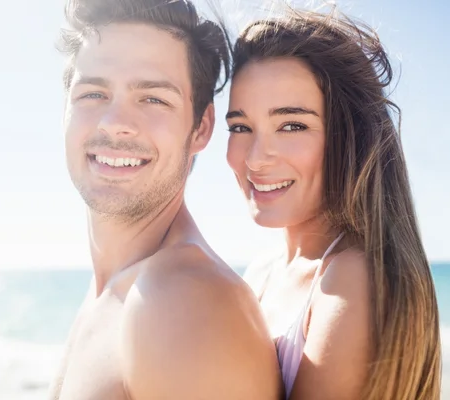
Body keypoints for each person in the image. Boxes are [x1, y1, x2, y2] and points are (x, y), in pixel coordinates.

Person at [47, 0, 282, 399]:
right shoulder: (118, 290)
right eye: (92, 94)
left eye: (153, 98)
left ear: (201, 128)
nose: (114, 123)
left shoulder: (182, 303)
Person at [225, 8, 442, 400]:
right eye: (240, 127)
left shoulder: (348, 280)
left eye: (292, 125)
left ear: (350, 135)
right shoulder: (262, 271)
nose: (255, 157)